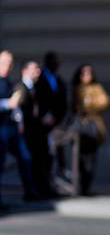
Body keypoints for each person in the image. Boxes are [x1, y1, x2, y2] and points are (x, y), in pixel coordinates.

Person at [0, 51, 37, 209]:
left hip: (11, 128)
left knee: (25, 157)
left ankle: (29, 191)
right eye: (4, 63)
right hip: (1, 128)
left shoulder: (8, 82)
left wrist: (18, 119)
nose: (8, 66)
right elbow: (10, 103)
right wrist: (8, 104)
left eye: (10, 64)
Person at [71, 65, 110, 196]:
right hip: (79, 128)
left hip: (94, 128)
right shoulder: (76, 89)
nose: (87, 76)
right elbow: (75, 106)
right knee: (78, 159)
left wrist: (90, 105)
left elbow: (104, 102)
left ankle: (86, 187)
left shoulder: (96, 88)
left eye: (89, 73)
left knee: (91, 159)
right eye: (84, 73)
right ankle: (78, 187)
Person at [17, 60, 52, 198]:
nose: (38, 72)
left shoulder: (36, 87)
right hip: (27, 132)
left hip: (36, 132)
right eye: (34, 69)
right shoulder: (21, 87)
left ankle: (37, 189)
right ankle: (30, 190)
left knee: (38, 160)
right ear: (25, 71)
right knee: (28, 160)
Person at [36, 51, 68, 182]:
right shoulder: (40, 78)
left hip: (56, 121)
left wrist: (57, 117)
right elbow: (39, 99)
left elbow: (62, 101)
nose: (57, 64)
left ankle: (53, 180)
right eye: (55, 61)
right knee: (44, 155)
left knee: (55, 152)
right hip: (42, 123)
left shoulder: (58, 79)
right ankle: (44, 182)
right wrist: (44, 116)